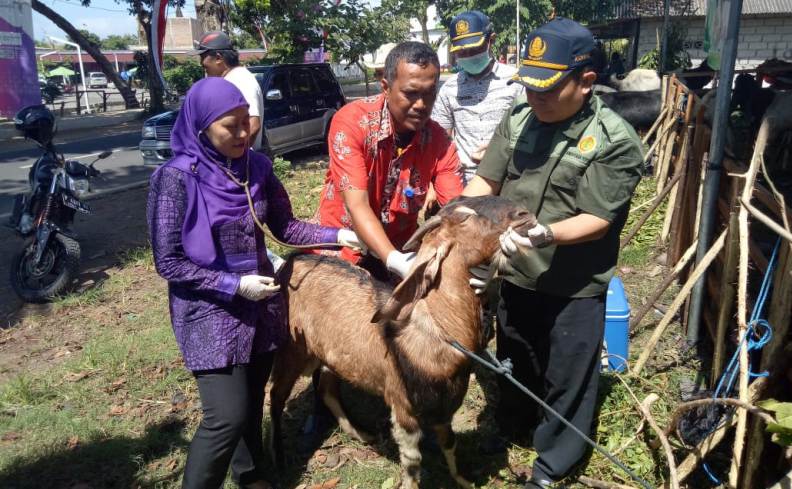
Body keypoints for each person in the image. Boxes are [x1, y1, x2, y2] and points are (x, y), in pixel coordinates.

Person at [147, 78, 360, 489]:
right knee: (224, 417)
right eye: (232, 125)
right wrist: (233, 284)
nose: (245, 133)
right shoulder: (174, 179)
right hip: (209, 311)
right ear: (202, 126)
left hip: (261, 306)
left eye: (249, 122)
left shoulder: (257, 168)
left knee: (248, 403)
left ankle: (251, 475)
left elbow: (284, 226)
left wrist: (339, 236)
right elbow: (168, 261)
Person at [464, 18, 644, 488]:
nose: (535, 97)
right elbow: (486, 182)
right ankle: (513, 424)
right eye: (530, 86)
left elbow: (597, 219)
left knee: (568, 377)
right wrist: (465, 223)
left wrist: (544, 236)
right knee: (516, 356)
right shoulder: (519, 120)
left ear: (586, 82)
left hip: (572, 283)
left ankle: (553, 464)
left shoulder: (614, 140)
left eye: (547, 88)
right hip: (514, 270)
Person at [316, 41, 464, 280]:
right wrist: (393, 259)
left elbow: (457, 208)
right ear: (386, 87)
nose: (421, 105)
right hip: (344, 247)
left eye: (430, 94)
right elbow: (357, 205)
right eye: (411, 94)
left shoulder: (439, 141)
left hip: (400, 248)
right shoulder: (352, 123)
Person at [431, 10, 523, 185]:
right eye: (461, 52)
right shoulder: (449, 88)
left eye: (474, 49)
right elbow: (441, 140)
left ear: (491, 40)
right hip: (463, 181)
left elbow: (531, 131)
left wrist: (500, 149)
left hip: (508, 179)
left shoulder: (516, 82)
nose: (468, 56)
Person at [190, 31, 264, 151]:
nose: (201, 63)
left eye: (203, 57)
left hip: (236, 167)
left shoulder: (240, 80)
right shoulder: (230, 80)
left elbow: (254, 126)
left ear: (218, 58)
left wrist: (232, 159)